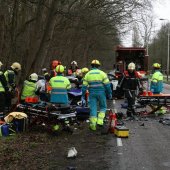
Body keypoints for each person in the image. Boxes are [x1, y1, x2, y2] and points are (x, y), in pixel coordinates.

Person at [81, 60, 112, 131]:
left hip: (92, 94)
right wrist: (109, 93)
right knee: (103, 107)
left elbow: (84, 87)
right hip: (101, 93)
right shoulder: (103, 73)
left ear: (91, 66)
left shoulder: (87, 74)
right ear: (99, 66)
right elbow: (107, 85)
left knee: (93, 109)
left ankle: (93, 125)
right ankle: (100, 122)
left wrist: (82, 95)